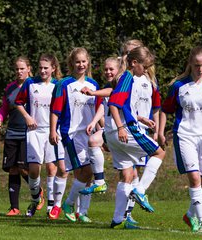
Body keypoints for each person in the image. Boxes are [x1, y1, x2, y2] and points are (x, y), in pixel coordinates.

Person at [158, 46, 202, 233]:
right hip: (185, 135)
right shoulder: (179, 86)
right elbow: (166, 109)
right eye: (197, 65)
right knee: (195, 179)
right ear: (190, 63)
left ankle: (190, 215)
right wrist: (160, 132)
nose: (200, 69)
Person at [106, 46, 165, 229]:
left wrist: (141, 119)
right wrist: (122, 127)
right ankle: (140, 191)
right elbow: (114, 105)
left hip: (113, 132)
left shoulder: (124, 78)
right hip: (124, 130)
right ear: (134, 63)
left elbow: (124, 106)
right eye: (144, 66)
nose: (145, 70)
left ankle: (118, 219)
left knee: (127, 175)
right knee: (159, 153)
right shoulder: (128, 78)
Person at [49, 47, 102, 223]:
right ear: (72, 63)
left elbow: (98, 111)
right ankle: (68, 204)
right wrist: (52, 130)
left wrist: (102, 132)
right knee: (85, 172)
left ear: (88, 63)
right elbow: (55, 110)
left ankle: (83, 212)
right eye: (77, 61)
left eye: (83, 61)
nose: (81, 64)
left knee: (88, 174)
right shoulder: (63, 84)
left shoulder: (94, 85)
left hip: (90, 135)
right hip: (71, 135)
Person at [15, 53, 65, 217]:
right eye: (40, 68)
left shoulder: (58, 85)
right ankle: (36, 199)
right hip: (34, 131)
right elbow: (18, 102)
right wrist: (27, 117)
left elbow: (62, 109)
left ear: (53, 68)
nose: (43, 71)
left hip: (52, 131)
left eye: (46, 68)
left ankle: (51, 207)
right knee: (34, 169)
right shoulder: (30, 82)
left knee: (52, 168)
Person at [0, 56, 32, 216]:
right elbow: (4, 107)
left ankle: (37, 191)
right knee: (12, 169)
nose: (19, 71)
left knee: (23, 169)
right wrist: (0, 118)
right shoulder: (10, 88)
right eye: (17, 69)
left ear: (29, 69)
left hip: (28, 133)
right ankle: (14, 207)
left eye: (22, 68)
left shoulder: (34, 86)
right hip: (11, 133)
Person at [78, 57, 121, 195]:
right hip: (111, 129)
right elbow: (104, 106)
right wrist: (93, 122)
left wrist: (93, 93)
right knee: (93, 140)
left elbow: (112, 92)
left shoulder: (122, 86)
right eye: (106, 69)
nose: (108, 72)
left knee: (129, 175)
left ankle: (127, 211)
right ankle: (100, 182)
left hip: (124, 130)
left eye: (111, 69)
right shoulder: (110, 86)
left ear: (119, 70)